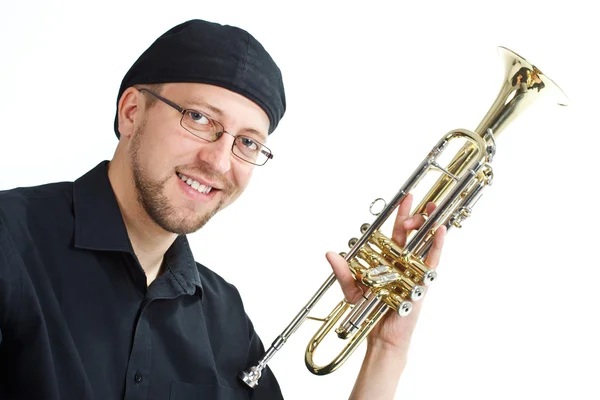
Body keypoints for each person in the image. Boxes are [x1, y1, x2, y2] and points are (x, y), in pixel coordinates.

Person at [0, 19, 445, 400]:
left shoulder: (225, 317)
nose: (218, 161)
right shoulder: (10, 239)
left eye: (247, 142)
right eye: (198, 119)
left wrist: (387, 350)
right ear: (132, 112)